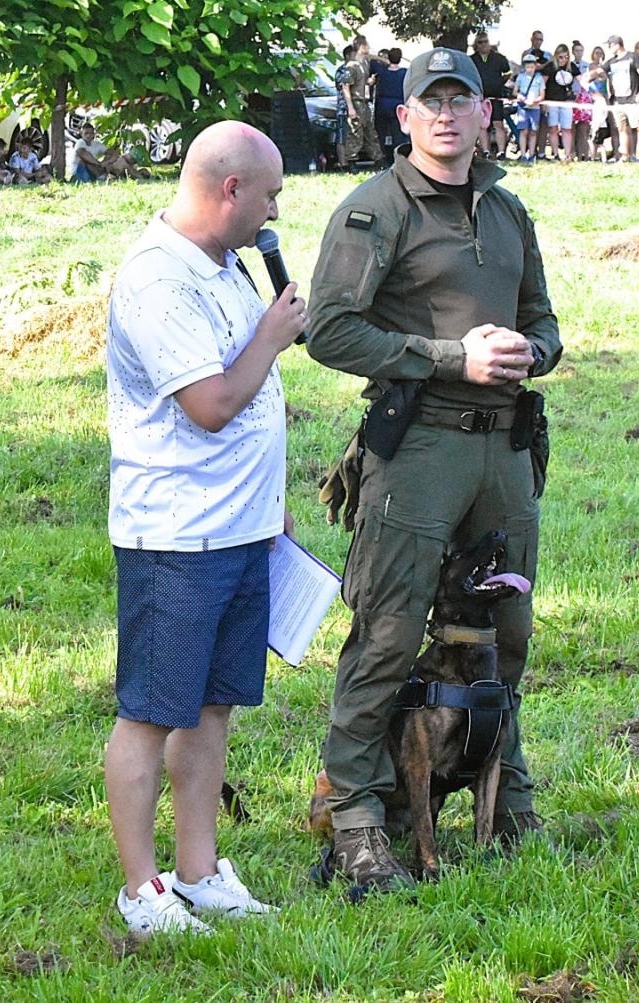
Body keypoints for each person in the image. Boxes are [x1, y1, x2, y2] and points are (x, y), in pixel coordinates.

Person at [306, 47, 563, 892]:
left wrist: (534, 351)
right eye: (431, 102)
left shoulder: (507, 211)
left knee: (506, 634)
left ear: (486, 113)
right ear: (405, 117)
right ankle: (356, 816)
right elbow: (332, 331)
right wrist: (449, 355)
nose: (448, 115)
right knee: (386, 634)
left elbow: (546, 323)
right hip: (419, 448)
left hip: (506, 450)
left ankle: (508, 801)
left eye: (463, 100)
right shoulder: (375, 210)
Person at [104, 120, 304, 933]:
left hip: (239, 526)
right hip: (176, 538)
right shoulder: (157, 280)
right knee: (150, 714)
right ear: (231, 191)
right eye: (271, 195)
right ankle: (141, 888)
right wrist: (274, 332)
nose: (275, 212)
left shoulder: (224, 265)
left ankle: (197, 870)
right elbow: (213, 404)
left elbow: (250, 398)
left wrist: (272, 500)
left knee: (212, 706)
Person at [601, 35, 639, 162]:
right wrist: (589, 75)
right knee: (622, 128)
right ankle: (625, 156)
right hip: (618, 101)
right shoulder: (612, 62)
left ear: (617, 45)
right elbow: (600, 71)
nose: (609, 48)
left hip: (633, 99)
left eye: (610, 45)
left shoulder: (633, 57)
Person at [338, 41, 382, 168]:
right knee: (355, 133)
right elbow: (345, 86)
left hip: (364, 102)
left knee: (370, 132)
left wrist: (370, 81)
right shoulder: (351, 66)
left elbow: (361, 82)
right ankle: (351, 161)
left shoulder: (363, 64)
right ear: (361, 47)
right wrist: (350, 108)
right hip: (356, 102)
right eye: (367, 45)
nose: (369, 48)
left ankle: (378, 159)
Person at [470, 32, 513, 159]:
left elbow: (508, 72)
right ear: (476, 45)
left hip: (496, 97)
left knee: (498, 123)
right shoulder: (472, 60)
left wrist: (499, 83)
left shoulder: (499, 58)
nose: (483, 44)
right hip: (479, 98)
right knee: (482, 125)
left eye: (485, 41)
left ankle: (501, 152)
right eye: (480, 42)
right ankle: (486, 151)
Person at [67, 122, 150, 183]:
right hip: (79, 172)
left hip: (95, 169)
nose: (89, 135)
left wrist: (106, 162)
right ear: (81, 134)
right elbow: (83, 154)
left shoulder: (97, 144)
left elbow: (113, 153)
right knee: (86, 161)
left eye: (91, 133)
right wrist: (98, 164)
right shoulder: (80, 142)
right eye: (86, 133)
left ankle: (109, 175)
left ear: (94, 134)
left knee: (118, 161)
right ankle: (102, 176)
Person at [541, 45, 578, 162]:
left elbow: (582, 79)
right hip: (551, 101)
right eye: (561, 57)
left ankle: (567, 154)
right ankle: (556, 153)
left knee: (567, 128)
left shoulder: (572, 67)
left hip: (566, 102)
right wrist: (542, 101)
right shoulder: (550, 67)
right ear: (556, 56)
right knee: (553, 128)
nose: (563, 60)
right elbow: (543, 84)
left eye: (566, 57)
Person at [372, 48, 409, 164]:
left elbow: (371, 59)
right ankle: (398, 159)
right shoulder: (404, 72)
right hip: (397, 105)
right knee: (398, 135)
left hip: (382, 105)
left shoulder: (382, 71)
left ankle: (382, 159)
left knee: (380, 134)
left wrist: (384, 60)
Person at [512, 53, 545, 162]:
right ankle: (522, 154)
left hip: (535, 108)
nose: (529, 69)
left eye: (531, 67)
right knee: (523, 131)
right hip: (523, 108)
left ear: (535, 66)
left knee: (533, 131)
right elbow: (515, 91)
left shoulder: (539, 78)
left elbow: (542, 94)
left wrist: (535, 101)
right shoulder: (521, 77)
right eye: (527, 67)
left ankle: (531, 154)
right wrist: (520, 96)